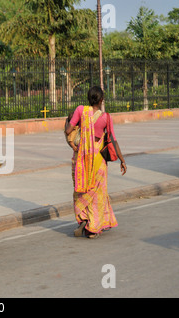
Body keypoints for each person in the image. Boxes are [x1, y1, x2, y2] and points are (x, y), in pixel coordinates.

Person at [65, 86, 127, 238]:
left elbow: (68, 131)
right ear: (101, 100)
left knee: (81, 189)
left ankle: (83, 220)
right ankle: (93, 228)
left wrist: (69, 123)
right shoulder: (106, 117)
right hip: (97, 160)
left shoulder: (80, 110)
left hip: (81, 158)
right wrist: (122, 160)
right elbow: (112, 140)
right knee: (97, 193)